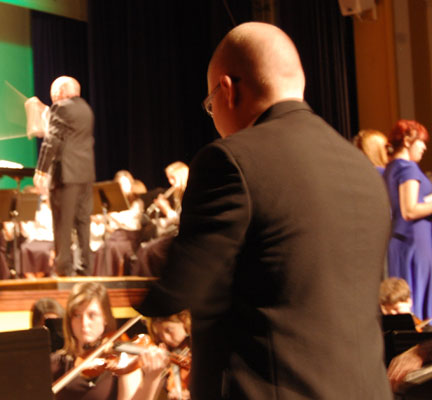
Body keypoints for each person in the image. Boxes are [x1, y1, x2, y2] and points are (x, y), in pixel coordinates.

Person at [136, 22, 392, 399]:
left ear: (226, 89)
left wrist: (141, 290)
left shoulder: (229, 161)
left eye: (211, 105)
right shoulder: (362, 169)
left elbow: (180, 287)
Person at [51, 281, 168, 400]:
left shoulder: (123, 362)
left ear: (105, 318)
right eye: (77, 315)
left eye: (92, 315)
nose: (84, 323)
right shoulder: (56, 364)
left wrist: (151, 378)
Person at [33, 76, 95, 277]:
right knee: (83, 222)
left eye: (53, 92)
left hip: (65, 175)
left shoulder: (61, 108)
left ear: (60, 92)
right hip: (85, 174)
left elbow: (51, 141)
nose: (52, 97)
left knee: (62, 222)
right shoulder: (86, 109)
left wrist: (41, 170)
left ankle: (63, 269)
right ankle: (85, 267)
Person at [383, 120, 432, 321]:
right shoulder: (407, 168)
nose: (424, 147)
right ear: (407, 140)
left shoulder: (391, 168)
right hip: (414, 241)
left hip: (402, 241)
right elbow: (409, 210)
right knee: (417, 297)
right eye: (421, 141)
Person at [147, 310, 191, 400]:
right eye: (160, 335)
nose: (165, 338)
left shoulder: (201, 350)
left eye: (169, 330)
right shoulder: (168, 357)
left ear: (184, 321)